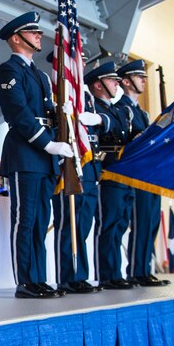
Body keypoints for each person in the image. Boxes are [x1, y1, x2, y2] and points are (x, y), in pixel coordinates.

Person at [0, 11, 74, 299]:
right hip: (26, 152)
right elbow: (18, 113)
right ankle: (25, 281)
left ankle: (39, 278)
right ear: (17, 38)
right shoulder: (9, 71)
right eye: (33, 32)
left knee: (41, 219)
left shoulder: (39, 75)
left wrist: (61, 115)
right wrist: (48, 144)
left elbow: (44, 110)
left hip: (43, 156)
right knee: (24, 219)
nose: (40, 36)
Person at [51, 55, 103, 294]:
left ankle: (80, 275)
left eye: (82, 60)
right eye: (75, 60)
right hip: (68, 164)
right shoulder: (58, 88)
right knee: (67, 224)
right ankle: (67, 276)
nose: (81, 63)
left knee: (83, 225)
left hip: (89, 167)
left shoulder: (86, 96)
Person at [117, 59, 169, 287]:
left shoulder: (143, 114)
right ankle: (136, 271)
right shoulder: (123, 110)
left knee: (150, 223)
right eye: (139, 77)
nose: (144, 81)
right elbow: (126, 143)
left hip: (149, 175)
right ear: (126, 82)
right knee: (140, 223)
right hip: (135, 176)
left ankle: (144, 269)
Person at [88, 62, 135, 289]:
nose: (116, 83)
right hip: (107, 171)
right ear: (98, 85)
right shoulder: (94, 108)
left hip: (122, 172)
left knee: (119, 224)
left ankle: (115, 272)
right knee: (107, 224)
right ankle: (106, 274)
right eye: (111, 80)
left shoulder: (117, 110)